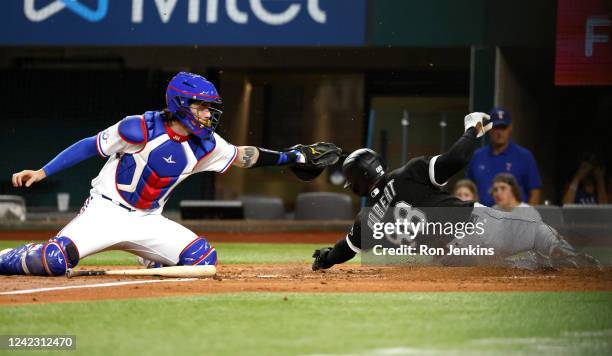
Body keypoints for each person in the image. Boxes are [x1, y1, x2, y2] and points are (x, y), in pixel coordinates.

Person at [1, 72, 339, 276]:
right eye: (202, 107)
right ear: (181, 104)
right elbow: (90, 146)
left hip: (148, 219)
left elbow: (244, 157)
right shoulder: (139, 128)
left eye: (209, 108)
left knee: (203, 261)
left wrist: (292, 155)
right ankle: (6, 257)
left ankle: (150, 259)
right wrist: (43, 171)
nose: (208, 114)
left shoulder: (207, 144)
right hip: (104, 213)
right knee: (55, 260)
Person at [311, 112, 599, 271]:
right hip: (473, 228)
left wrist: (325, 259)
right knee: (535, 229)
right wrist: (471, 130)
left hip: (451, 258)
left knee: (507, 266)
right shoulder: (408, 173)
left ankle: (542, 265)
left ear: (357, 183)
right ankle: (567, 256)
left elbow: (343, 251)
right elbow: (457, 159)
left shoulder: (366, 220)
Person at [466, 107, 542, 207]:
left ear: (510, 127)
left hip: (514, 218)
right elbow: (468, 189)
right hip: (482, 216)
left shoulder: (524, 156)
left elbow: (535, 191)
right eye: (496, 127)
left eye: (503, 127)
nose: (499, 132)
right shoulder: (477, 156)